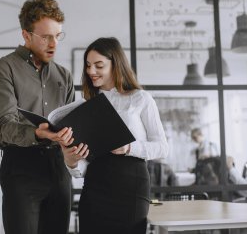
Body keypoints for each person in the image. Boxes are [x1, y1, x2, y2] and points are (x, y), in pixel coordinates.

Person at [59, 37, 169, 234]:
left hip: (131, 186)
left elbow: (162, 147)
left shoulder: (140, 98)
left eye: (99, 65)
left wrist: (128, 147)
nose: (91, 71)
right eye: (88, 65)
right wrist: (71, 161)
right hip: (95, 186)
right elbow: (82, 166)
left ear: (115, 64)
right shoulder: (87, 105)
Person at [0, 0, 75, 234]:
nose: (54, 43)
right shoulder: (3, 69)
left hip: (59, 170)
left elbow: (71, 123)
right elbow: (5, 126)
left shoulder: (64, 76)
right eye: (46, 36)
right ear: (26, 35)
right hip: (21, 169)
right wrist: (38, 133)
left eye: (58, 36)